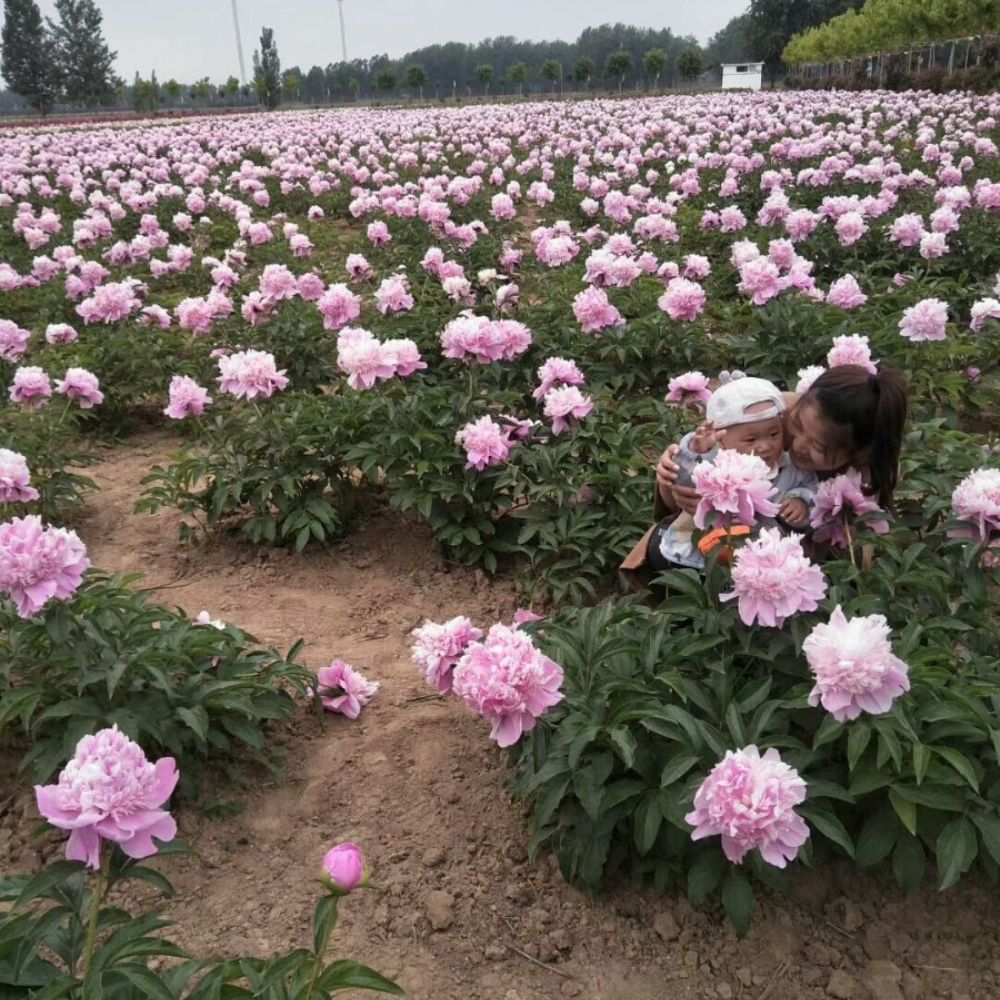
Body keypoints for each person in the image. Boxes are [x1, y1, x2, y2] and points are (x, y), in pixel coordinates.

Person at [620, 365, 908, 590]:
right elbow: (703, 448)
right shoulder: (770, 410)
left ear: (860, 455)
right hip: (715, 535)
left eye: (819, 448)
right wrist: (671, 472)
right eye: (796, 427)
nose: (798, 445)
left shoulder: (863, 477)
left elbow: (857, 566)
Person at [653, 376, 817, 572]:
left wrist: (801, 501)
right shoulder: (715, 461)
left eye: (774, 434)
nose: (765, 446)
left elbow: (812, 487)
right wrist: (696, 451)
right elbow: (683, 481)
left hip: (763, 557)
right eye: (751, 439)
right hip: (698, 551)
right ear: (722, 440)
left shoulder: (789, 466)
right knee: (670, 565)